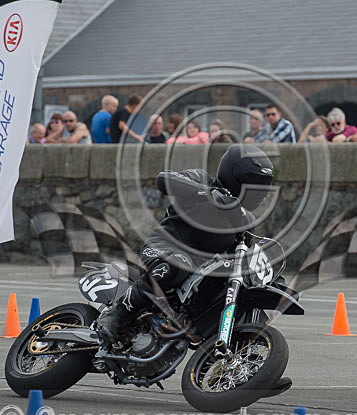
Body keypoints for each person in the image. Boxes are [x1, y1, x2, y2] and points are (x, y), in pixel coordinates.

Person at [93, 144, 275, 348]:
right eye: (255, 184)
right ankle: (116, 313)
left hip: (199, 274)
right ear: (237, 177)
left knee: (238, 289)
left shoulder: (244, 219)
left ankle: (245, 364)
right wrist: (210, 194)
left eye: (264, 187)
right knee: (178, 263)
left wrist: (272, 278)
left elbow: (248, 255)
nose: (260, 193)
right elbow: (164, 179)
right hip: (164, 248)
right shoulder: (201, 179)